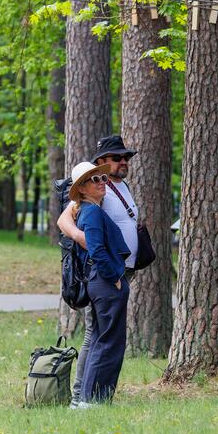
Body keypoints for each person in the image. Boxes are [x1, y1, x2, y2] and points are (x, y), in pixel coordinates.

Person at [58, 135, 140, 408]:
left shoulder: (120, 187)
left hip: (120, 270)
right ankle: (82, 395)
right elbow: (65, 219)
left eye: (126, 157)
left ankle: (88, 396)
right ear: (102, 162)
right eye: (117, 158)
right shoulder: (92, 195)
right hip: (106, 273)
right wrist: (88, 243)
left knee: (103, 335)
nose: (123, 162)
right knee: (98, 336)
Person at [67, 161, 131, 406]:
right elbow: (95, 248)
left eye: (103, 178)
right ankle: (93, 399)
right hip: (106, 282)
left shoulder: (90, 209)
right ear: (82, 188)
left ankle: (87, 398)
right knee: (109, 342)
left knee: (101, 340)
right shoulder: (91, 211)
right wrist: (114, 277)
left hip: (102, 282)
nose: (102, 182)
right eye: (95, 180)